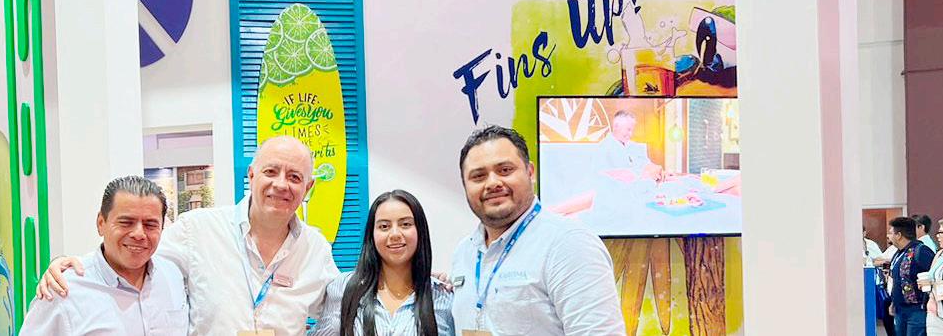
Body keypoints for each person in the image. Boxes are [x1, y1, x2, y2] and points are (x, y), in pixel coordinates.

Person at [38, 136, 339, 335]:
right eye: (271, 172)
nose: (281, 184)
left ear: (308, 187)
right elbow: (135, 250)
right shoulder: (198, 229)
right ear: (251, 175)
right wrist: (71, 264)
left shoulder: (316, 250)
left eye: (294, 177)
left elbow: (343, 308)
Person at [449, 125, 627, 335]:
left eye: (505, 170)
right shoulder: (464, 252)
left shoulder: (568, 244)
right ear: (465, 185)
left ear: (530, 172)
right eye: (478, 176)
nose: (493, 183)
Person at [21, 176, 187, 335]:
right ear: (101, 223)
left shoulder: (173, 275)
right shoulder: (62, 290)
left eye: (150, 225)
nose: (139, 234)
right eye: (126, 222)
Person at [312, 190, 453, 336]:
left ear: (420, 231)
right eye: (384, 226)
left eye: (405, 224)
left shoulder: (443, 295)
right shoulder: (343, 288)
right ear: (372, 235)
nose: (395, 234)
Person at [888, 216, 935, 336]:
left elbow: (934, 275)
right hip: (900, 309)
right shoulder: (898, 253)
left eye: (891, 233)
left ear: (899, 235)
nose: (888, 236)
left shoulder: (921, 251)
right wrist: (894, 302)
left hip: (917, 309)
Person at [598, 111, 663, 182]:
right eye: (628, 129)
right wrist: (642, 175)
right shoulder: (603, 149)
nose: (630, 134)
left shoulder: (634, 146)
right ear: (616, 126)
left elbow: (646, 163)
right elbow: (604, 177)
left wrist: (658, 171)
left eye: (632, 130)